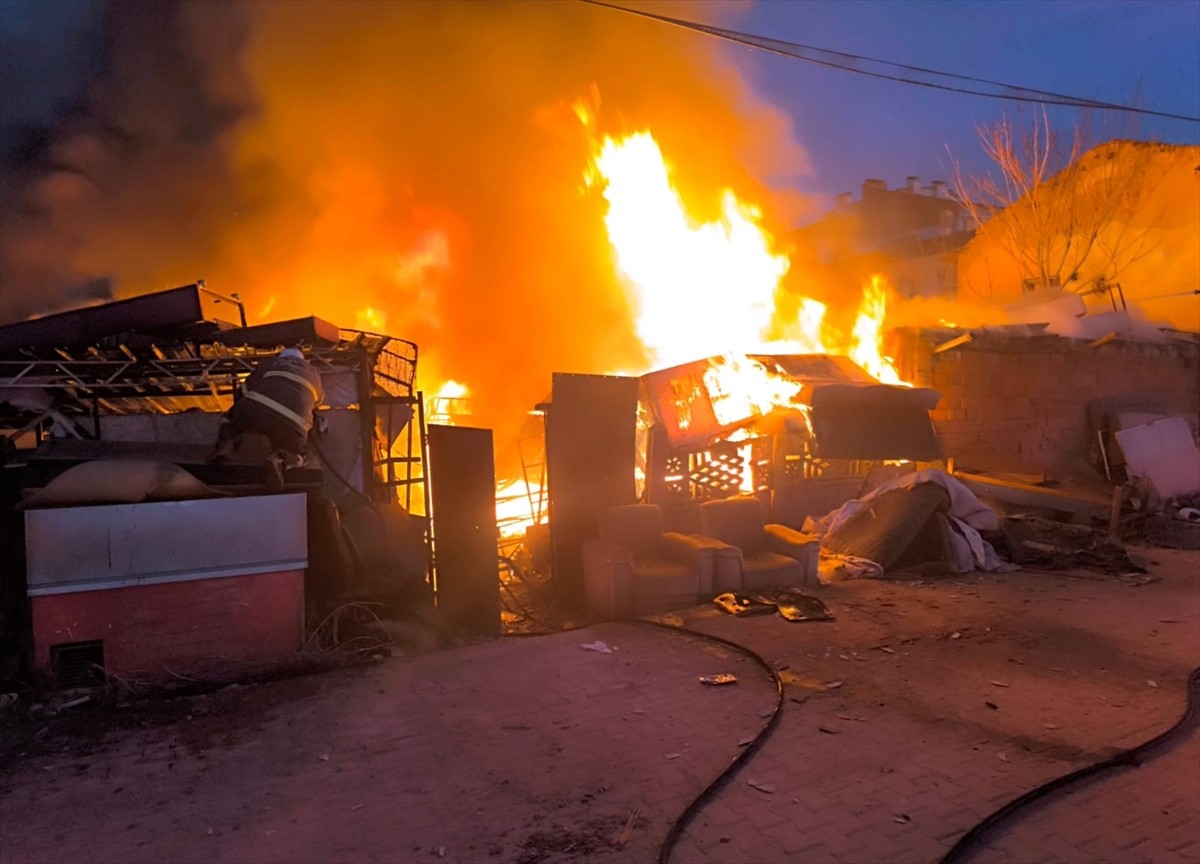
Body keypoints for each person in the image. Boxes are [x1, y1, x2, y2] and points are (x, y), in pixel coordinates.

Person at [213, 347, 325, 486]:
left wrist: (241, 409)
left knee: (230, 420)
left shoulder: (269, 363)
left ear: (280, 356)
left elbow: (245, 389)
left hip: (257, 408)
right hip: (293, 422)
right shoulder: (314, 372)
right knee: (299, 454)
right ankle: (280, 458)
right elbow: (318, 402)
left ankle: (226, 447)